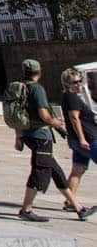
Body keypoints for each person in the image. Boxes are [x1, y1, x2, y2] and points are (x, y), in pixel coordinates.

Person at [14, 59, 93, 222]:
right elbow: (44, 115)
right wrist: (55, 123)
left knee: (56, 172)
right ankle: (26, 209)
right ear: (39, 72)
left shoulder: (20, 87)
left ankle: (78, 208)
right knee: (40, 171)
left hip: (27, 134)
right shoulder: (36, 89)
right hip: (40, 136)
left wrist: (18, 136)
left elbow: (16, 114)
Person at [62, 67, 96, 205]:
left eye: (80, 81)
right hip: (88, 140)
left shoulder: (68, 97)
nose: (79, 84)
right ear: (67, 84)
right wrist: (82, 138)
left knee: (78, 169)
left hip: (76, 140)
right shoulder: (72, 97)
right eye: (75, 82)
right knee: (77, 170)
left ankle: (70, 202)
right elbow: (74, 118)